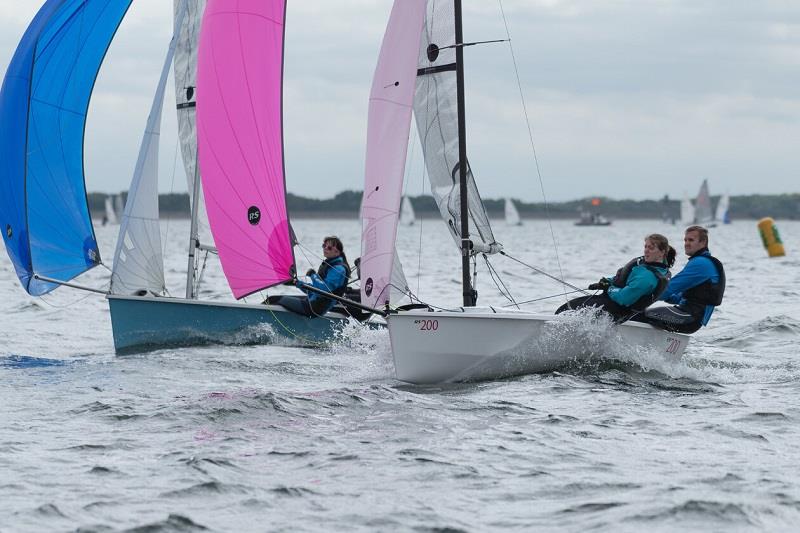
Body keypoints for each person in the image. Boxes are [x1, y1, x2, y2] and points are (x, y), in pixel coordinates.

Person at [555, 234, 676, 323]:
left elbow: (624, 298)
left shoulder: (647, 278)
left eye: (651, 248)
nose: (646, 250)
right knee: (568, 308)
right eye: (646, 246)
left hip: (615, 310)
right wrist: (606, 282)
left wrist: (609, 288)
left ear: (662, 253)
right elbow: (623, 278)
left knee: (565, 310)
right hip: (612, 306)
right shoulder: (650, 267)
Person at [634, 225, 725, 333]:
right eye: (685, 240)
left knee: (638, 313)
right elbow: (679, 297)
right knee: (644, 313)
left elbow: (668, 287)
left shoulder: (701, 263)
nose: (686, 243)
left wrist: (637, 299)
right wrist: (668, 297)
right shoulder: (702, 262)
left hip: (690, 317)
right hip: (690, 317)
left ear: (703, 242)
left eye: (691, 240)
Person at [270, 236, 351, 317]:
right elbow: (315, 290)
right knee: (273, 298)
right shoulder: (330, 265)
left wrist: (313, 275)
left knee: (273, 300)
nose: (325, 248)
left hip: (314, 309)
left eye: (329, 248)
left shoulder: (339, 269)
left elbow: (324, 289)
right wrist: (297, 283)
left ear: (337, 252)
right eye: (324, 246)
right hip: (312, 303)